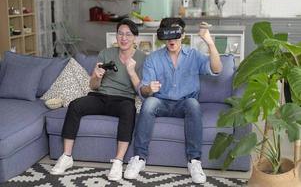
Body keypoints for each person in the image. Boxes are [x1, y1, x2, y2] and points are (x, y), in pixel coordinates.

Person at [124, 17, 222, 184]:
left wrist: (210, 43)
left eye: (176, 34)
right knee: (149, 104)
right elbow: (144, 91)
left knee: (193, 104)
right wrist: (149, 89)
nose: (172, 40)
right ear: (163, 36)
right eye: (168, 35)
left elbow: (217, 68)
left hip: (186, 102)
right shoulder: (153, 59)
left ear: (182, 35)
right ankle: (139, 157)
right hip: (161, 102)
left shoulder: (193, 55)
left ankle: (194, 161)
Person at [50, 19, 146, 181]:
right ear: (116, 36)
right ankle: (66, 157)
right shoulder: (105, 53)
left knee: (129, 110)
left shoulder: (142, 58)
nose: (123, 38)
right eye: (120, 34)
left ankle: (118, 161)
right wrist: (96, 76)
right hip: (100, 96)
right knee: (75, 105)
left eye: (128, 34)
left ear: (135, 38)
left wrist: (131, 72)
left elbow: (140, 89)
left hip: (123, 99)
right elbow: (93, 86)